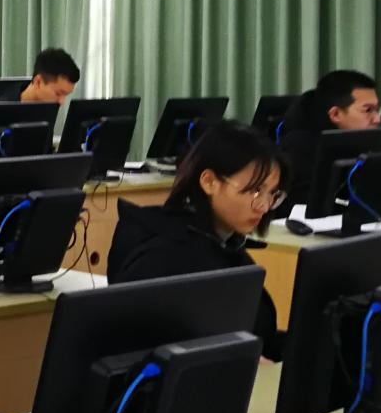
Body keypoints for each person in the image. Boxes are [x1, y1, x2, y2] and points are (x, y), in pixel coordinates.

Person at [107, 121, 285, 357]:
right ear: (209, 181)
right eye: (254, 191)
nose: (264, 206)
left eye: (272, 194)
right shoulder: (163, 258)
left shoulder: (226, 246)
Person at [280, 70, 381, 226]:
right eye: (368, 110)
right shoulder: (298, 145)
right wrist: (371, 210)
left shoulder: (358, 141)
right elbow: (301, 203)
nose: (377, 119)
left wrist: (378, 207)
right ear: (335, 114)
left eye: (377, 109)